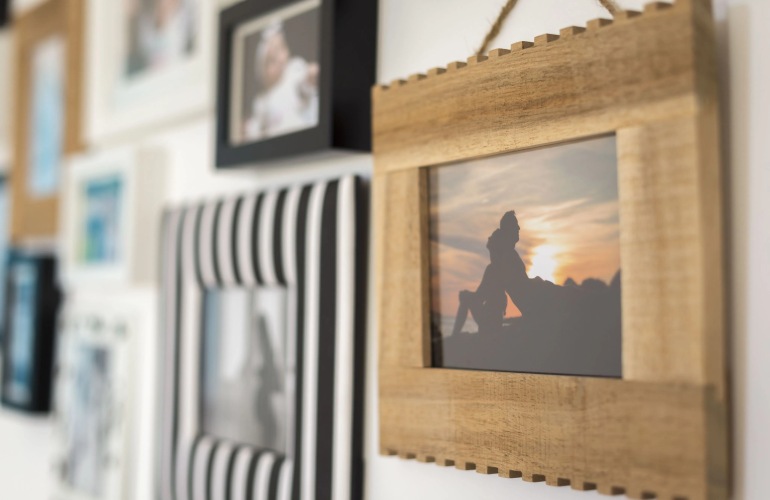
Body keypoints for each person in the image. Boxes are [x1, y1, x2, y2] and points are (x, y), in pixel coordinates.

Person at [242, 22, 319, 141]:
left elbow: (302, 86)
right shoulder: (262, 100)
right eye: (272, 61)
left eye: (281, 49)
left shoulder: (293, 71)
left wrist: (309, 77)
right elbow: (257, 126)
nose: (279, 60)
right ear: (262, 72)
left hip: (301, 137)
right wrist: (249, 128)